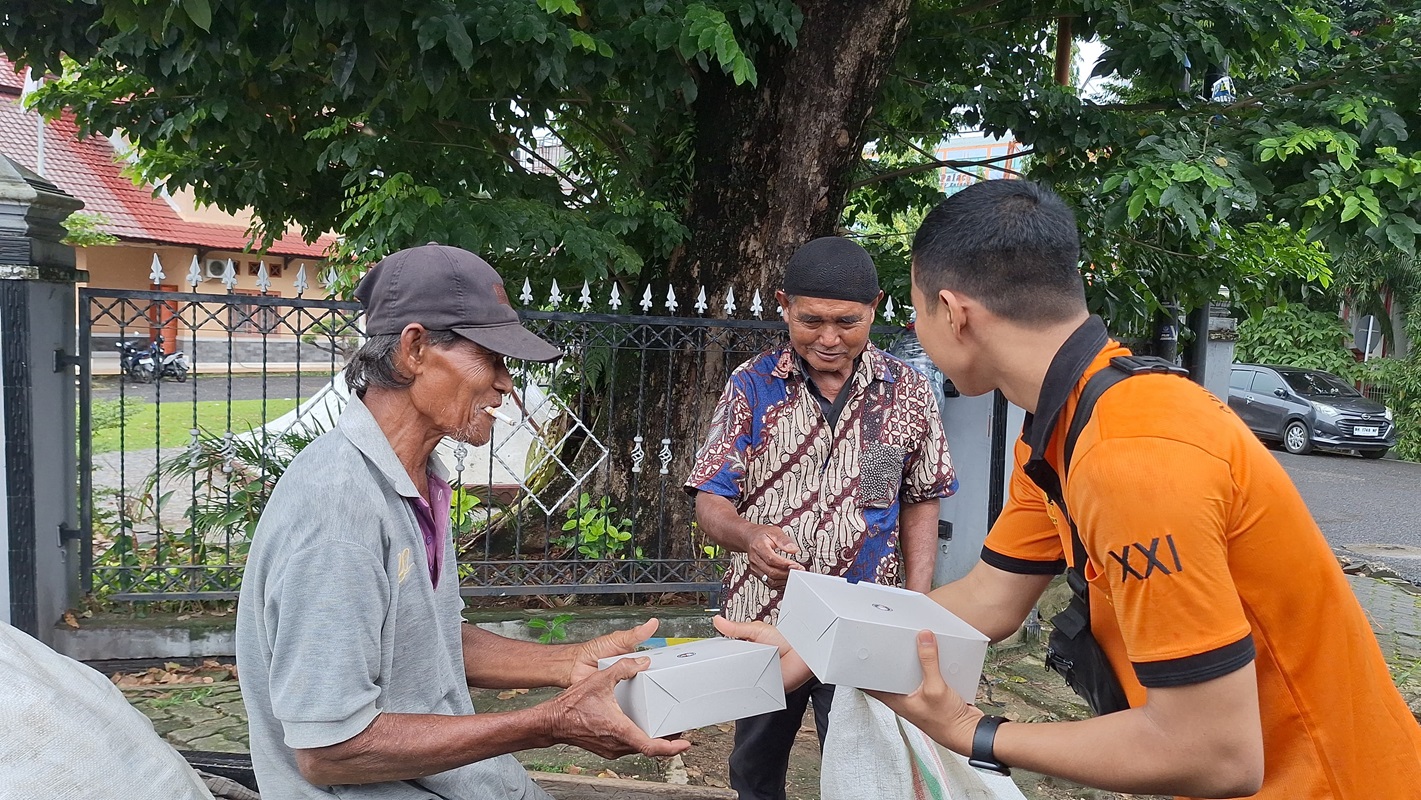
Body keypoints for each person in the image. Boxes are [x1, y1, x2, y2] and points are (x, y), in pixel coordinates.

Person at [719, 180, 1421, 799]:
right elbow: (986, 601)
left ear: (951, 311)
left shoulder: (1131, 456)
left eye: (911, 312)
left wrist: (974, 730)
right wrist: (815, 644)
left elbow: (1214, 755)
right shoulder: (1062, 430)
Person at [235, 244, 688, 800]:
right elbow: (329, 752)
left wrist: (568, 661)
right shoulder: (338, 507)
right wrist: (546, 723)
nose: (506, 384)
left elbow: (425, 644)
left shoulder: (419, 477)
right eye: (490, 358)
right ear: (416, 348)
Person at [686, 236, 957, 800]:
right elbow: (709, 499)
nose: (829, 339)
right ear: (783, 304)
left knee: (866, 764)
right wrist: (749, 535)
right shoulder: (751, 386)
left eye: (847, 322)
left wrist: (915, 601)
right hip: (767, 619)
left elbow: (921, 496)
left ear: (876, 308)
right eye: (811, 321)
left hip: (867, 622)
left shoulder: (905, 392)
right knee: (755, 769)